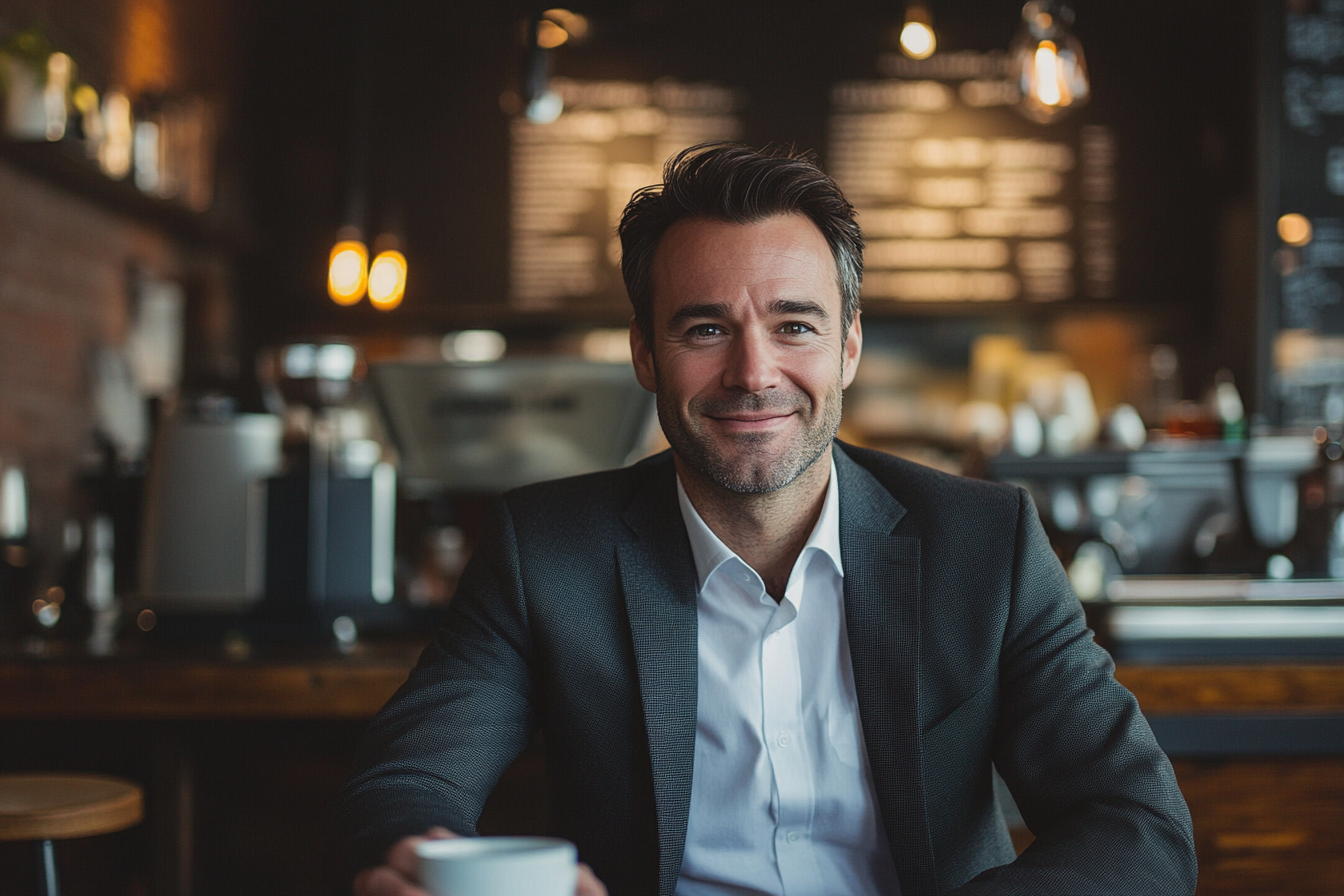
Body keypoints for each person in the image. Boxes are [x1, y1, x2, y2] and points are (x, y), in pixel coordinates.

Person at [338, 143, 1197, 896]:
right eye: (706, 328)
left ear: (849, 346)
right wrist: (432, 863)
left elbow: (1137, 826)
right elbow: (411, 778)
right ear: (645, 352)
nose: (754, 373)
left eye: (795, 325)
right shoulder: (547, 552)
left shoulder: (986, 543)